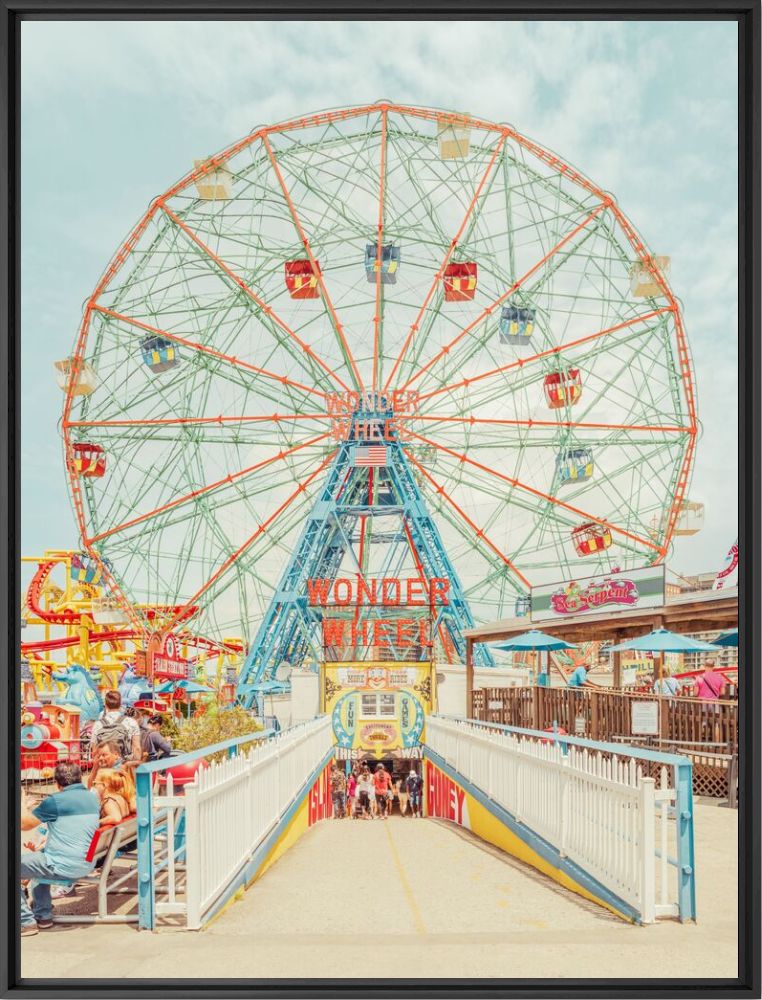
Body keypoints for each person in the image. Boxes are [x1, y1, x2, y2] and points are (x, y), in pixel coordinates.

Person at [19, 763, 100, 936]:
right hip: (87, 862)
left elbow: (24, 824)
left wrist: (22, 802)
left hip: (64, 866)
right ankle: (43, 915)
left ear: (57, 783)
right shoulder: (92, 798)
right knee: (38, 859)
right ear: (79, 778)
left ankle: (25, 921)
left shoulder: (55, 801)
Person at [90, 690, 141, 763]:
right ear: (120, 704)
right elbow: (137, 748)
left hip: (105, 769)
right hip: (124, 767)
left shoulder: (98, 725)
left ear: (106, 705)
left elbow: (94, 750)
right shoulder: (131, 723)